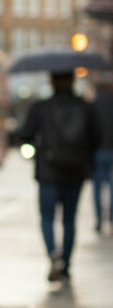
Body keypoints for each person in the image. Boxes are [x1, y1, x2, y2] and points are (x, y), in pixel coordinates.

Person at [17, 72, 99, 281]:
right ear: (73, 81)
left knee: (47, 217)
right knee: (70, 220)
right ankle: (66, 264)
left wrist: (38, 148)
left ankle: (53, 254)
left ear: (52, 82)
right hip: (76, 171)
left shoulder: (41, 108)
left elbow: (25, 135)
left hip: (48, 171)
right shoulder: (85, 107)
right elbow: (96, 138)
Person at [92, 79, 113, 233]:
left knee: (97, 188)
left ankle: (99, 219)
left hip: (97, 151)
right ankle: (111, 218)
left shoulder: (92, 106)